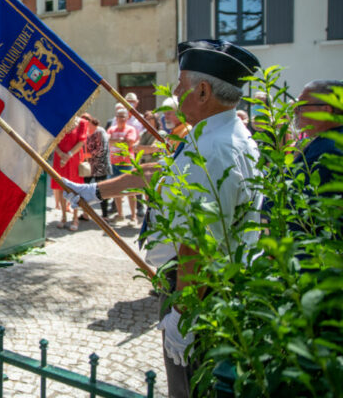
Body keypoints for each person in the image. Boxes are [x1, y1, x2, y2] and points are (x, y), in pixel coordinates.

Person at [63, 39, 263, 398]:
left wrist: (183, 314)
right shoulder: (211, 135)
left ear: (203, 91)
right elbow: (161, 173)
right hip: (193, 285)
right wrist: (94, 191)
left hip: (199, 290)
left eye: (181, 84)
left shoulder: (218, 149)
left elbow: (201, 241)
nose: (174, 92)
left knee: (190, 388)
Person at [291, 79, 343, 232]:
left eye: (301, 106)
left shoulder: (330, 149)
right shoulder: (326, 140)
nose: (295, 111)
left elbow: (306, 204)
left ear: (326, 110)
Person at [51, 117, 88, 231]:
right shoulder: (58, 120)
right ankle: (63, 216)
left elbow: (82, 141)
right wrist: (60, 153)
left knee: (74, 189)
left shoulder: (82, 122)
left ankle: (75, 218)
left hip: (73, 160)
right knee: (61, 187)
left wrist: (69, 155)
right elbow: (53, 139)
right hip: (59, 158)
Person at [107, 108, 139, 226]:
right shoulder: (111, 129)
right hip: (113, 162)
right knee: (116, 189)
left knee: (131, 190)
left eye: (122, 117)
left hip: (126, 163)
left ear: (127, 118)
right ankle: (120, 215)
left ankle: (133, 216)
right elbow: (106, 140)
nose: (120, 119)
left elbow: (129, 142)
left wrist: (113, 140)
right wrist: (120, 140)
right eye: (118, 116)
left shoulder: (131, 129)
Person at [81, 114, 111, 221]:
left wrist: (87, 155)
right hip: (89, 166)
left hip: (101, 165)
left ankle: (105, 215)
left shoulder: (100, 131)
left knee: (101, 190)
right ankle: (85, 213)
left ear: (90, 121)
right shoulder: (85, 132)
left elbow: (101, 150)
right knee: (85, 188)